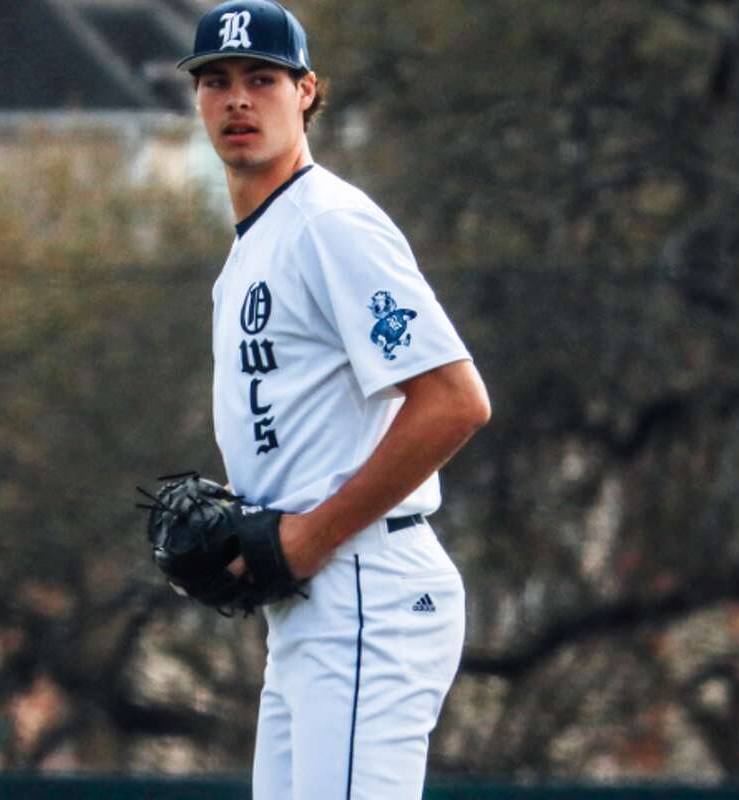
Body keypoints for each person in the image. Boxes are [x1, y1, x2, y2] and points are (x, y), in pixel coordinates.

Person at [177, 1, 491, 796]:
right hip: (315, 604)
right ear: (197, 99)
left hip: (365, 585)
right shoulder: (255, 249)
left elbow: (455, 400)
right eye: (217, 80)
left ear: (307, 91)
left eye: (262, 79)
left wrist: (313, 532)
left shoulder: (330, 223)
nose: (238, 99)